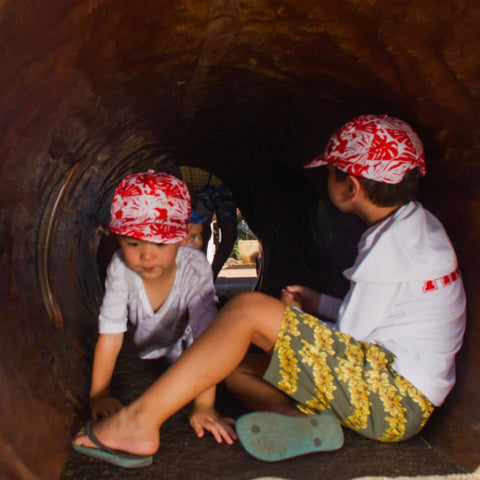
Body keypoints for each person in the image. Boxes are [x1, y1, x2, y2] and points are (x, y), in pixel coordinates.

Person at [73, 115, 466, 468]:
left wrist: (290, 318)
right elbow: (379, 317)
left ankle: (140, 422)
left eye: (329, 173)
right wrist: (317, 302)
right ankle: (303, 423)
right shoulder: (416, 229)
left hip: (391, 398)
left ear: (351, 186)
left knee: (245, 310)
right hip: (390, 395)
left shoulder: (390, 249)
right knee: (234, 367)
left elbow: (350, 340)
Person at [84, 170, 235, 455]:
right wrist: (99, 395)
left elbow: (209, 341)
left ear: (182, 238)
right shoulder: (120, 268)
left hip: (190, 352)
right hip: (152, 347)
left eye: (160, 242)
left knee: (233, 367)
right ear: (118, 239)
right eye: (134, 242)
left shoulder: (195, 268)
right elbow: (111, 335)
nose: (147, 255)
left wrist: (204, 406)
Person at [179, 166, 238, 280]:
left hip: (225, 185)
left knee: (230, 234)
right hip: (199, 185)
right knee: (201, 233)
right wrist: (189, 186)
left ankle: (211, 276)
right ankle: (200, 276)